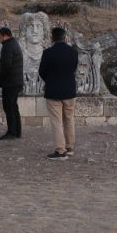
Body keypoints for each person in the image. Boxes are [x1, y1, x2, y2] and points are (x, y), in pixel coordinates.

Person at [37, 26, 78, 159]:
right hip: (70, 90)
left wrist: (50, 80)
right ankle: (70, 147)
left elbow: (42, 71)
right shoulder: (73, 52)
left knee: (57, 122)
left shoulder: (48, 53)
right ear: (65, 37)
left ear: (52, 38)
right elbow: (74, 68)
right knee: (69, 119)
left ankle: (60, 150)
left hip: (53, 91)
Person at [0, 26, 24, 140]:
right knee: (14, 106)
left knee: (9, 107)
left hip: (10, 82)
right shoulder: (14, 44)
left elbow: (6, 65)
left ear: (5, 35)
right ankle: (17, 131)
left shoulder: (7, 46)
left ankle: (12, 132)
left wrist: (1, 78)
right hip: (16, 82)